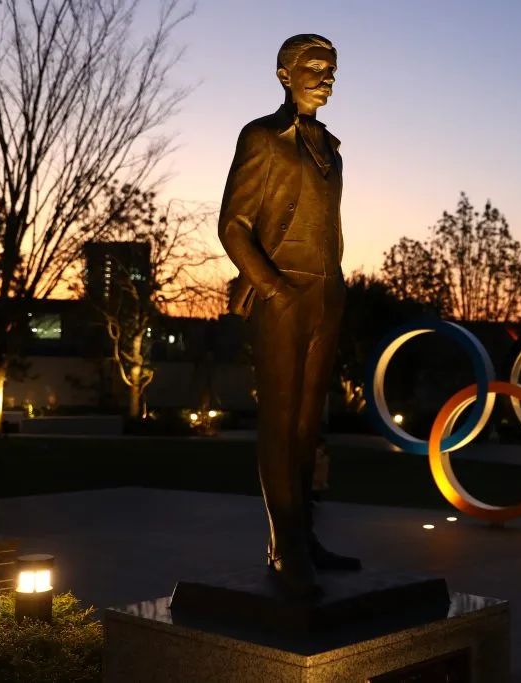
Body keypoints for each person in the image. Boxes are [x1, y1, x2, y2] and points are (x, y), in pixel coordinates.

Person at [219, 33, 360, 597]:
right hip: (283, 292)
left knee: (308, 425)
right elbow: (234, 224)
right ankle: (285, 547)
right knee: (279, 422)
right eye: (316, 67)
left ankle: (305, 535)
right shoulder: (262, 138)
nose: (327, 77)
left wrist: (336, 289)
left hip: (328, 295)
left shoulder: (334, 149)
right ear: (284, 73)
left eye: (333, 68)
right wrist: (272, 289)